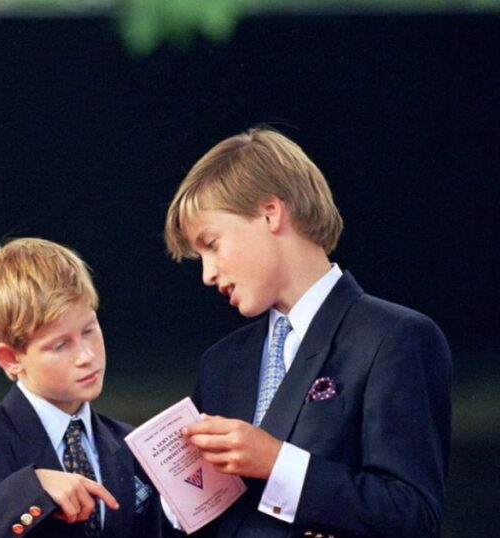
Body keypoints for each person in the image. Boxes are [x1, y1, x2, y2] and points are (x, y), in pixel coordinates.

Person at [162, 127, 451, 537]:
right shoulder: (221, 363)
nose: (207, 274)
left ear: (270, 213)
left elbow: (414, 517)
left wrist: (279, 463)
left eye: (211, 244)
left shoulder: (395, 338)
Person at [0, 238, 164, 538]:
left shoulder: (132, 443)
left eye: (89, 331)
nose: (86, 356)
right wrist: (30, 490)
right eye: (60, 345)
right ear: (11, 359)